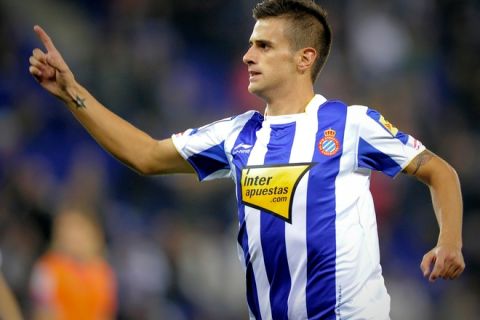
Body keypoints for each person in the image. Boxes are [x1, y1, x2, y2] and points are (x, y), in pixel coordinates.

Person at [28, 0, 464, 319]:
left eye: (263, 45)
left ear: (303, 58)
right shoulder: (237, 134)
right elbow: (145, 154)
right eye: (248, 44)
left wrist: (449, 241)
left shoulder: (349, 125)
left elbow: (438, 171)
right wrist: (73, 94)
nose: (247, 56)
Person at [29, 207, 117, 320]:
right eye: (66, 230)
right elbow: (43, 314)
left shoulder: (104, 271)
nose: (73, 237)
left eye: (78, 229)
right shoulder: (47, 268)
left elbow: (106, 313)